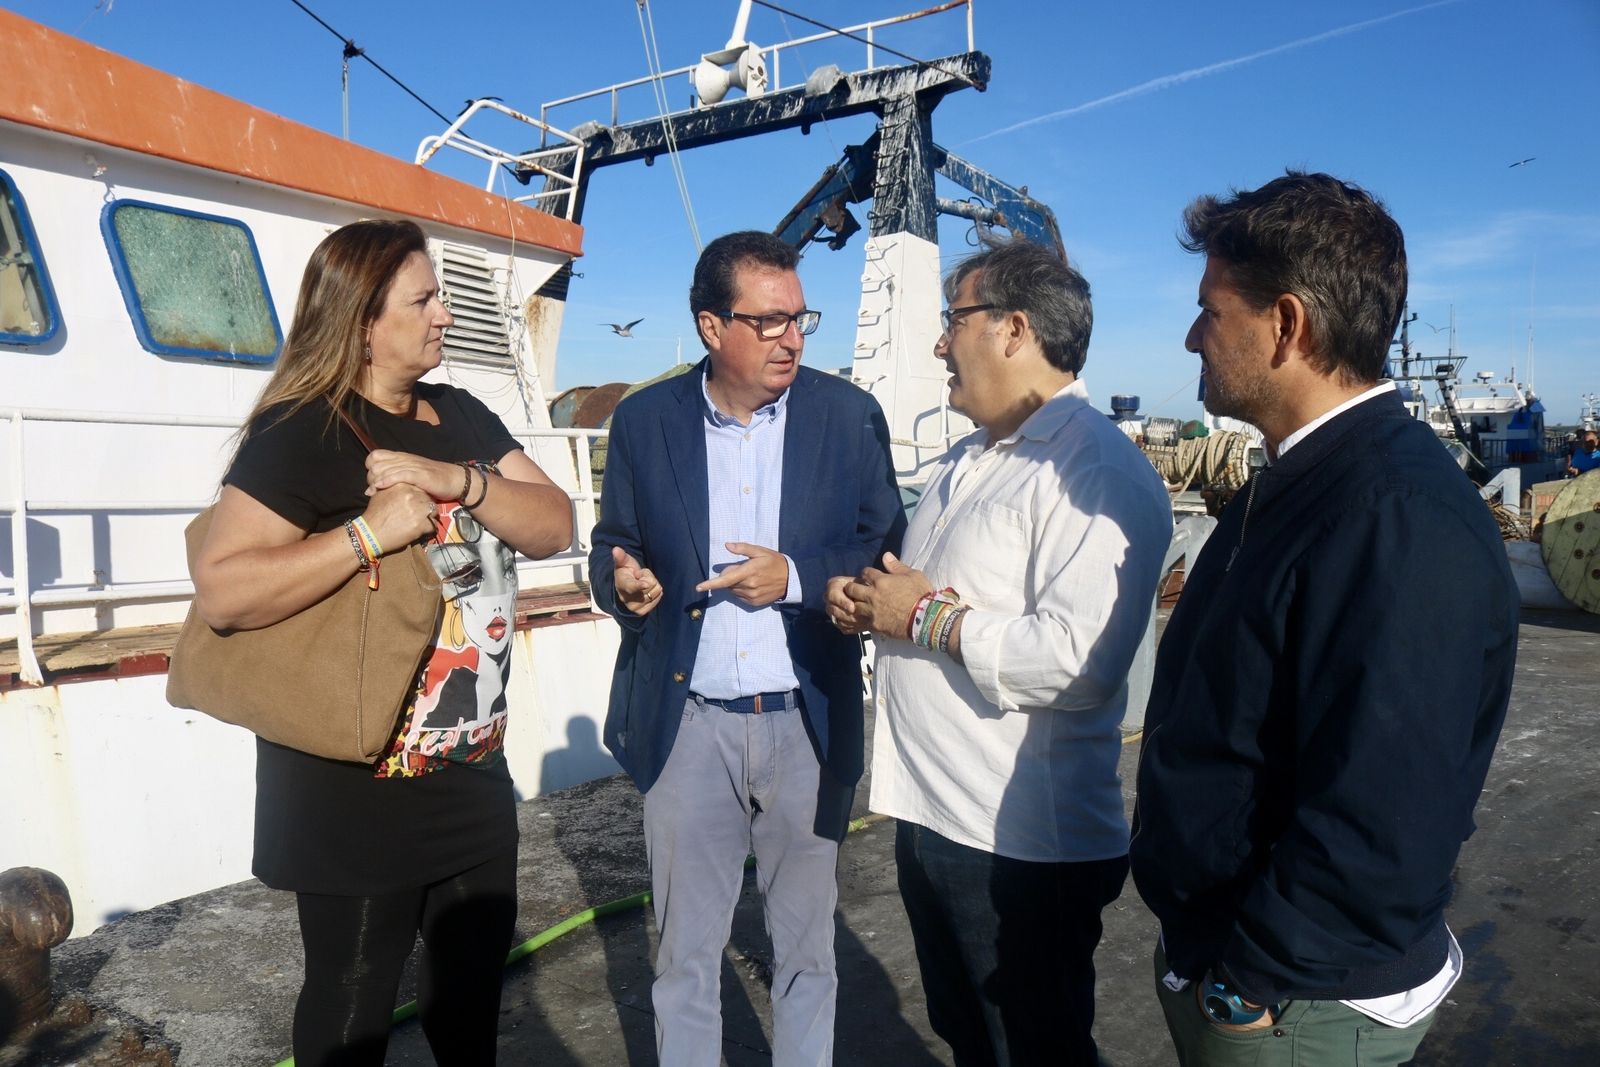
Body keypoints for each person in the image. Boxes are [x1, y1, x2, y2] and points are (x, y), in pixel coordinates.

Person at [1130, 172, 1518, 1066]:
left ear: (1288, 325)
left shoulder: (1394, 517)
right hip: (1246, 966)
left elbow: (1385, 818)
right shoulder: (1302, 482)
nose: (1192, 335)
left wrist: (1246, 984)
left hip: (1299, 1001)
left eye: (1210, 311)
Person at [191, 219, 573, 1066]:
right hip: (351, 782)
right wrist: (366, 534)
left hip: (470, 766)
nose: (443, 314)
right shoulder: (303, 430)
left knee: (470, 997)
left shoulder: (463, 416)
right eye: (425, 298)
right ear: (365, 319)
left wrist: (457, 479)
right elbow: (223, 589)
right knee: (353, 1002)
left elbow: (554, 524)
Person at [833, 237, 1172, 1066]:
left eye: (954, 321)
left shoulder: (1094, 471)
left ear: (1014, 328)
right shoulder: (969, 458)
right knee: (972, 1039)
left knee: (1033, 1048)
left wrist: (924, 618)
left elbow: (1078, 661)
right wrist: (875, 606)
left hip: (1019, 844)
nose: (940, 344)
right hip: (935, 815)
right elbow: (930, 596)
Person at [588, 229, 904, 1066]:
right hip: (687, 724)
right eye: (768, 322)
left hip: (807, 720)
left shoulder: (848, 416)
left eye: (800, 318)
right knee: (684, 957)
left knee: (807, 952)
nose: (792, 339)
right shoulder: (643, 420)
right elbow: (611, 542)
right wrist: (624, 586)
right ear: (709, 326)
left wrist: (797, 577)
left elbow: (885, 546)